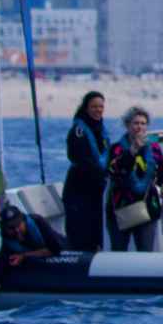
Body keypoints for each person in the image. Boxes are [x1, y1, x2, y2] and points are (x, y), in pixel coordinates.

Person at [106, 106, 163, 252]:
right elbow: (114, 170)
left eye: (143, 123)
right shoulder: (117, 148)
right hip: (121, 206)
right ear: (127, 125)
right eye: (136, 123)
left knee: (145, 250)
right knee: (118, 250)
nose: (140, 127)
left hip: (148, 205)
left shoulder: (155, 147)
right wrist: (132, 151)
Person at [0, 203, 64, 312]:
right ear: (4, 228)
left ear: (23, 220)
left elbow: (55, 250)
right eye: (11, 228)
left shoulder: (37, 222)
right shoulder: (7, 246)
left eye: (18, 225)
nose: (16, 230)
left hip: (63, 246)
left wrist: (24, 256)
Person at [61, 90, 108, 251]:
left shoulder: (100, 130)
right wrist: (103, 174)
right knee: (79, 233)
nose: (98, 110)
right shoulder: (78, 131)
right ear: (86, 108)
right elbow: (79, 159)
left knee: (95, 232)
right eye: (94, 106)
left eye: (101, 106)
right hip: (78, 190)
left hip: (95, 190)